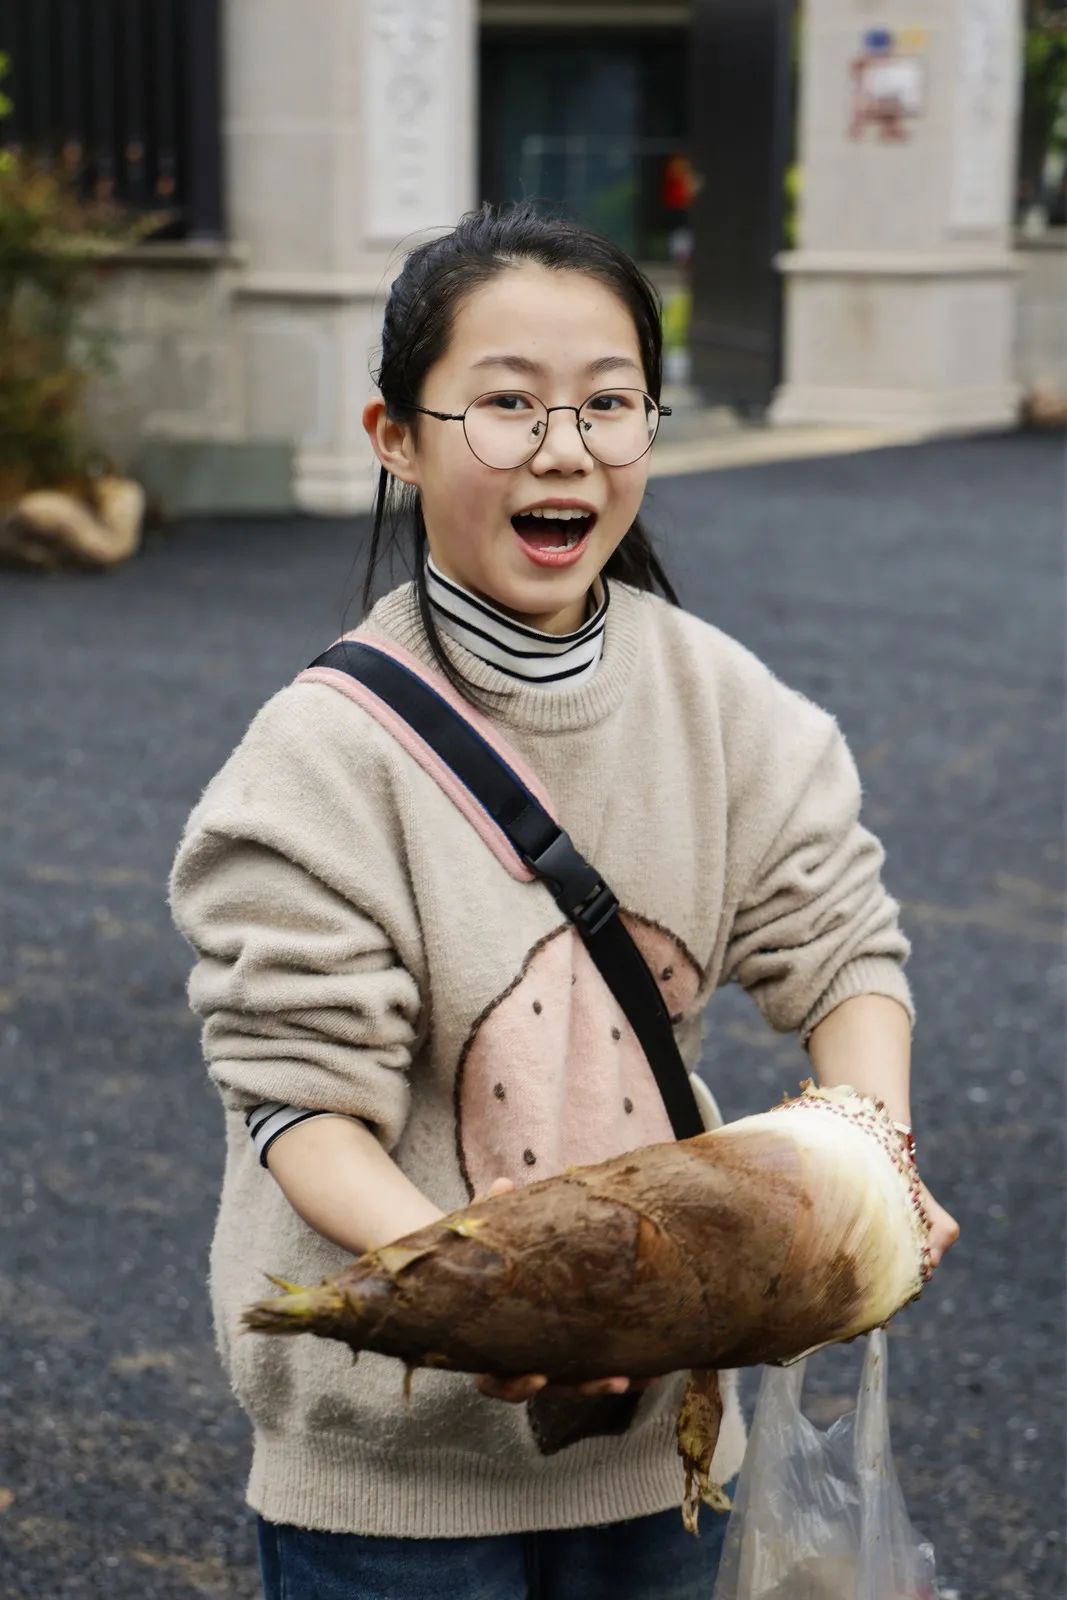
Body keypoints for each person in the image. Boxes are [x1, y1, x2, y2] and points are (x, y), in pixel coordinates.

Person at [168, 202, 959, 1600]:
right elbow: (300, 1104)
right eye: (507, 404)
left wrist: (875, 1165)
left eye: (607, 402)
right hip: (394, 1481)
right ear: (395, 438)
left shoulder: (717, 698)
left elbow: (843, 949)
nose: (565, 448)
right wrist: (504, 1295)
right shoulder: (318, 757)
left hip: (662, 1446)